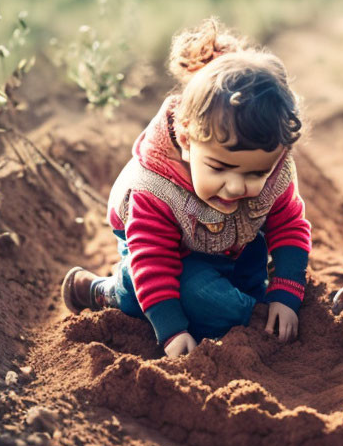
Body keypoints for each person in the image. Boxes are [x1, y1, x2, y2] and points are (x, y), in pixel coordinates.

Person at [62, 18, 311, 357]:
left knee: (235, 295)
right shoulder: (155, 191)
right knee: (195, 297)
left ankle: (238, 300)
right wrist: (171, 331)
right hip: (164, 248)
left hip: (233, 239)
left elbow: (290, 226)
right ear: (186, 140)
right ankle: (109, 289)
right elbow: (154, 260)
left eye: (256, 173)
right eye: (219, 168)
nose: (236, 186)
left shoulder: (274, 167)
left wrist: (285, 293)